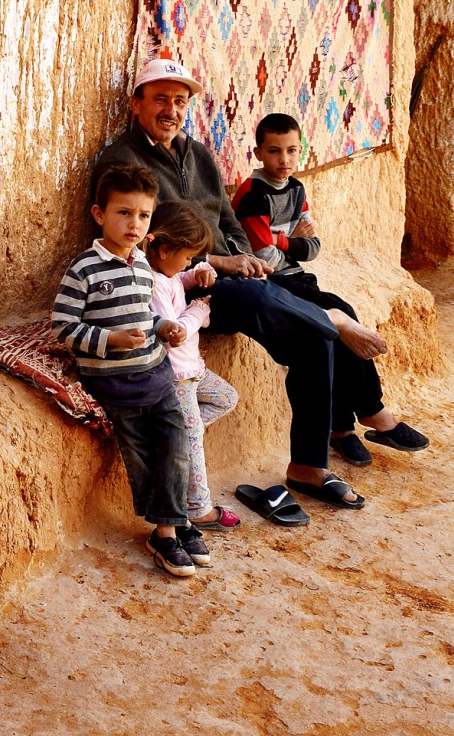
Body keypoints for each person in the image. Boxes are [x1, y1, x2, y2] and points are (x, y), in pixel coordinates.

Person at [91, 59, 365, 511]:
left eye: (180, 101)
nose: (171, 110)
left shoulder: (197, 154)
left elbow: (225, 216)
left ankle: (309, 467)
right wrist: (217, 262)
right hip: (182, 281)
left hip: (230, 270)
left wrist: (246, 258)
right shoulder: (124, 162)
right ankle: (330, 319)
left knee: (312, 339)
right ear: (136, 103)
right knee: (288, 307)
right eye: (159, 98)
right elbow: (141, 243)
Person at [232, 112, 429, 463]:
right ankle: (369, 414)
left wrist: (286, 242)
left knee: (339, 316)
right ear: (258, 152)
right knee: (335, 321)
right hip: (265, 281)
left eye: (292, 150)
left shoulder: (296, 188)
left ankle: (343, 428)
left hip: (294, 275)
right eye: (275, 151)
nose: (284, 159)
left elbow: (314, 247)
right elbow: (263, 256)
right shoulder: (253, 194)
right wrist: (291, 242)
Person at [51, 165, 207, 576]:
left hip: (157, 375)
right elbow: (63, 328)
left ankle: (170, 526)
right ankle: (168, 530)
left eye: (143, 216)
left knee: (175, 448)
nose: (134, 224)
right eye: (124, 213)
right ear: (99, 214)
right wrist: (112, 340)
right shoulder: (84, 270)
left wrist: (165, 327)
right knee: (141, 456)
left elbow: (145, 316)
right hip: (116, 384)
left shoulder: (142, 267)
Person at [144, 201, 241, 531]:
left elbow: (177, 281)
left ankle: (184, 434)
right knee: (193, 443)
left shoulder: (166, 274)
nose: (188, 262)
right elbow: (175, 331)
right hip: (176, 376)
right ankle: (198, 507)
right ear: (164, 249)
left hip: (192, 371)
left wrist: (195, 274)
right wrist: (199, 312)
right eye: (186, 256)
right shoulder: (154, 285)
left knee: (225, 398)